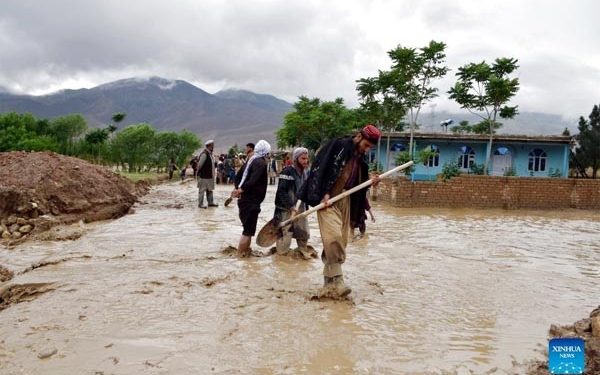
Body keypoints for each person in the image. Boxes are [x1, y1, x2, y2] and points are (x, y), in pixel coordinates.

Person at [298, 124, 381, 298]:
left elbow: (359, 186)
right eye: (366, 145)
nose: (366, 150)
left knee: (341, 241)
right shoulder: (338, 146)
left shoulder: (361, 160)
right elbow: (320, 167)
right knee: (333, 237)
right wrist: (323, 192)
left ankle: (328, 284)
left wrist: (371, 181)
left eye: (370, 148)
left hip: (345, 202)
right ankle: (339, 280)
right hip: (327, 200)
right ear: (359, 137)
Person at [273, 147, 315, 259]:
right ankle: (281, 258)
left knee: (303, 235)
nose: (306, 161)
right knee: (285, 239)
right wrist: (291, 206)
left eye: (307, 158)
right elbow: (281, 191)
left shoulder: (306, 172)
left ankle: (302, 256)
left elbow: (308, 191)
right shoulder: (287, 172)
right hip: (286, 210)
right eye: (303, 159)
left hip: (300, 209)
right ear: (296, 159)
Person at [232, 140, 270, 257]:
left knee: (247, 230)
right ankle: (241, 256)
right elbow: (253, 180)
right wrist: (242, 189)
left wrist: (238, 189)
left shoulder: (250, 160)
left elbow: (238, 177)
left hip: (243, 201)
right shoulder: (261, 163)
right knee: (247, 231)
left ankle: (245, 254)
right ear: (266, 153)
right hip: (251, 202)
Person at [196, 140, 218, 208]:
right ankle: (200, 204)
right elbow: (199, 165)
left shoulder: (210, 154)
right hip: (204, 176)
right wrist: (198, 174)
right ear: (209, 146)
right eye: (212, 145)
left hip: (210, 176)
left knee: (210, 189)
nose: (213, 147)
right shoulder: (204, 154)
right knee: (202, 190)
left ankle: (210, 203)